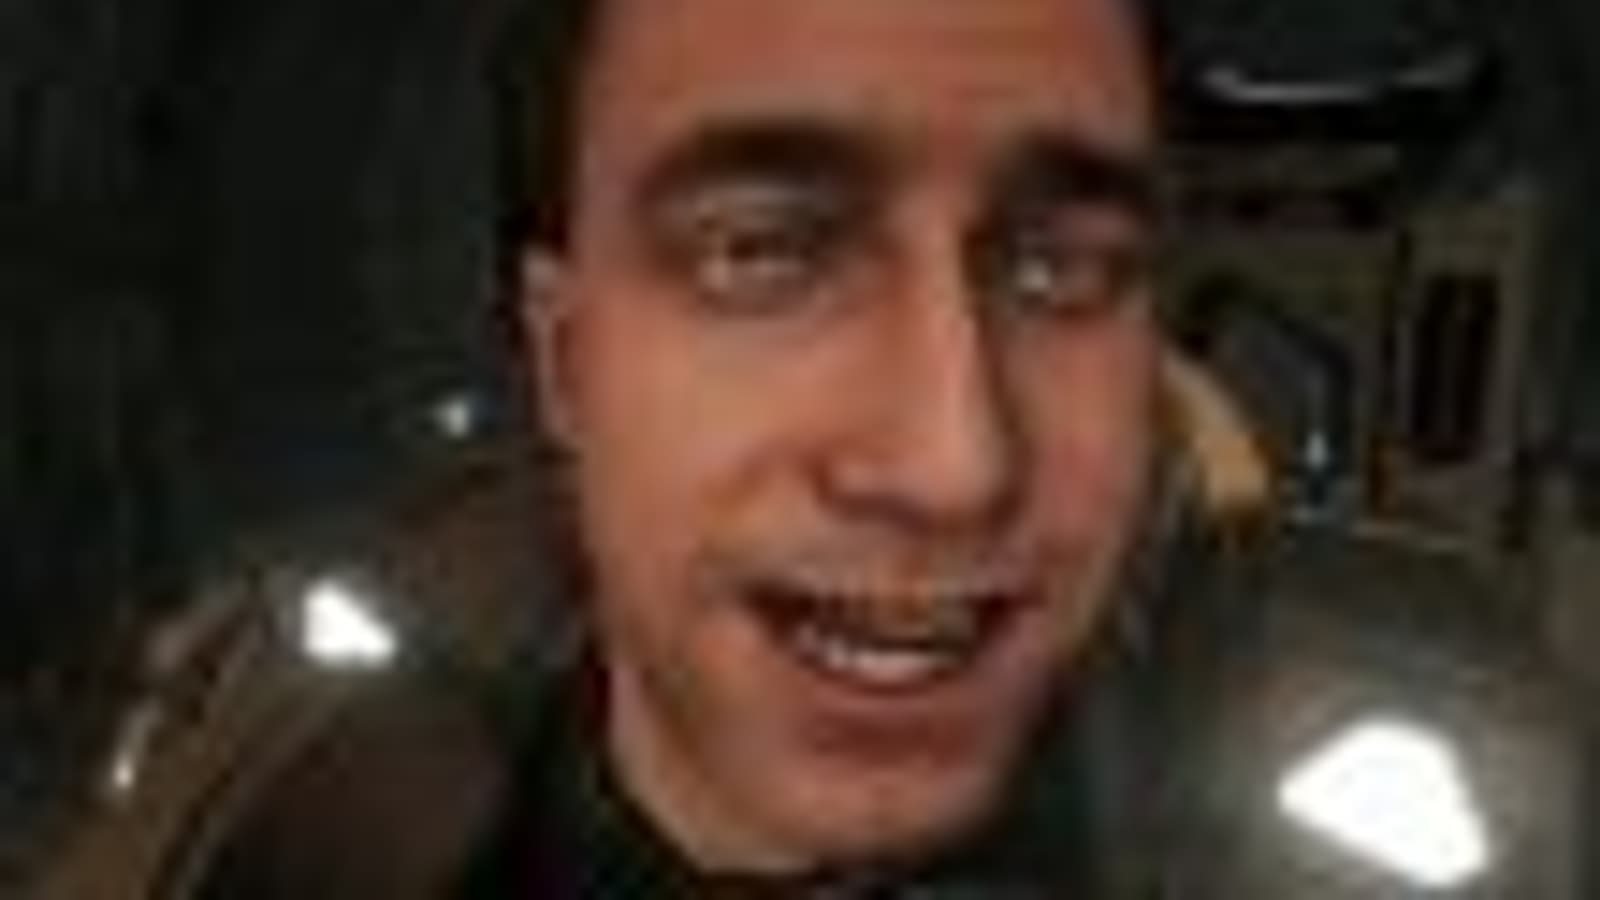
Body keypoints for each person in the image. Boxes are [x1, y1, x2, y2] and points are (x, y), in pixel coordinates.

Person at [32, 0, 1271, 895]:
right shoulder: (279, 807)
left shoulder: (1317, 788)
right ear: (568, 363)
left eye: (1060, 268)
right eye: (763, 255)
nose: (954, 464)